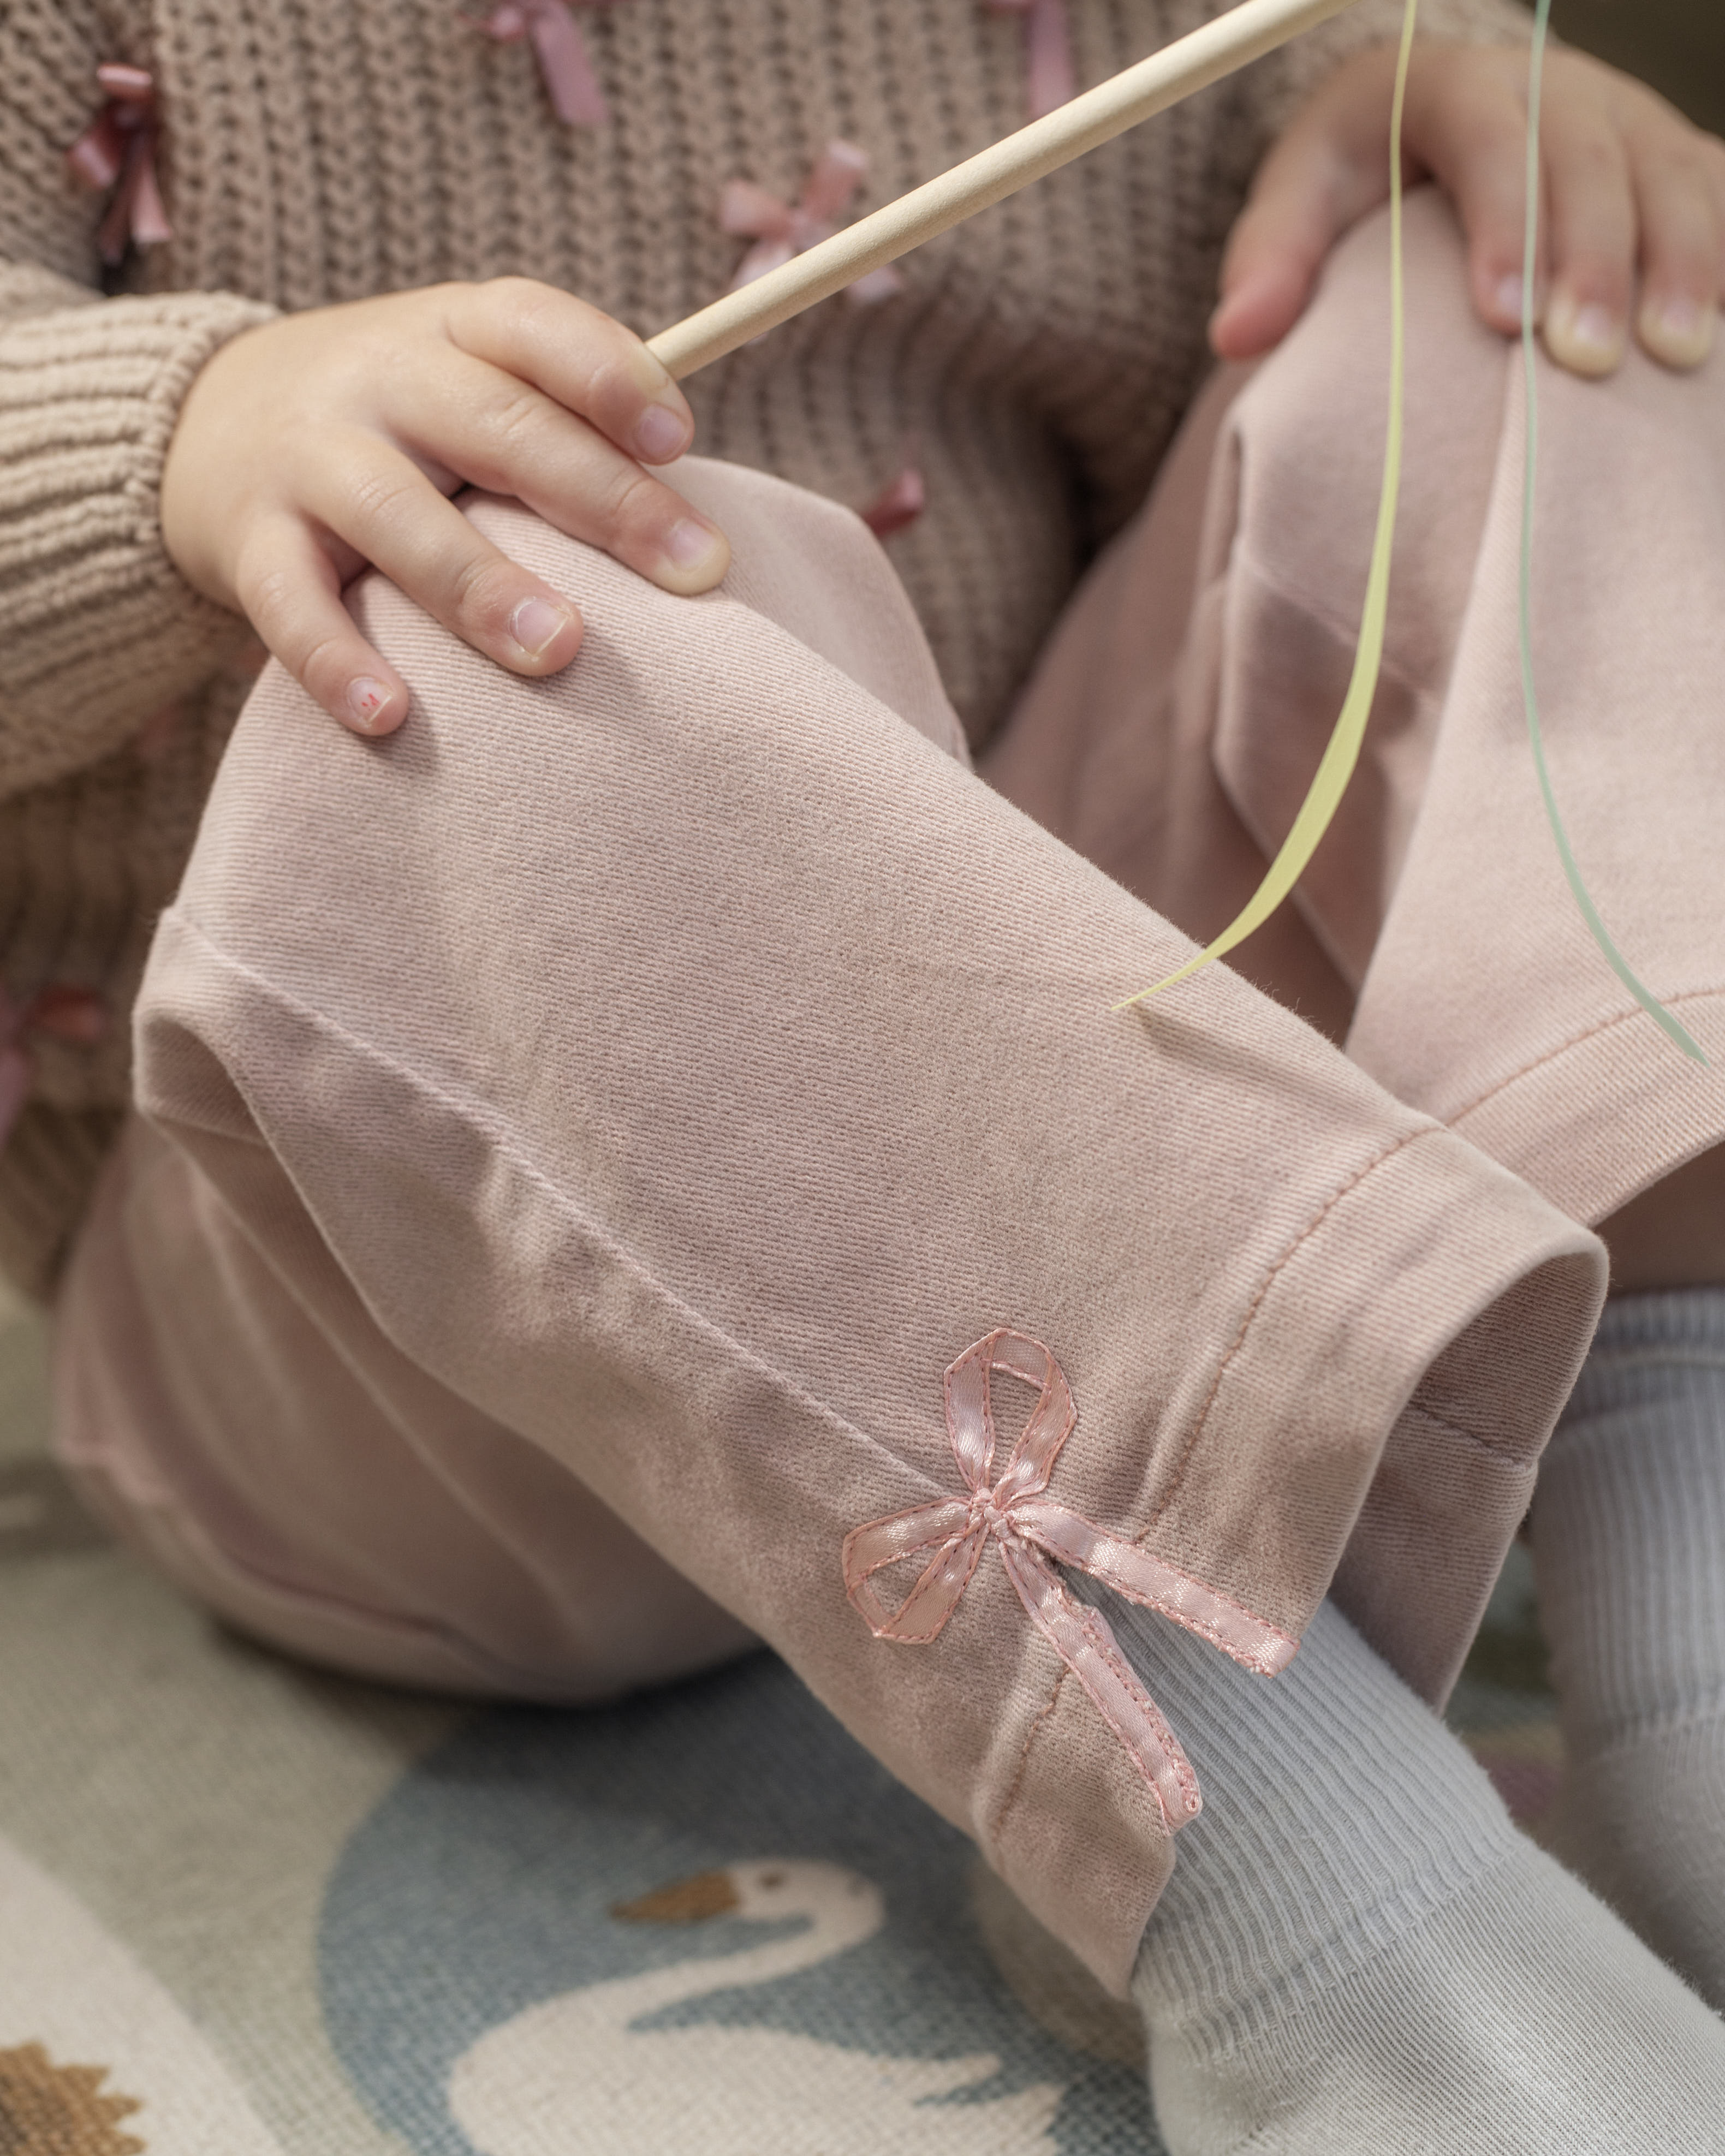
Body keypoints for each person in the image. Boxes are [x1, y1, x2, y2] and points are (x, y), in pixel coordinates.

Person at [5, 2, 1725, 2147]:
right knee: (494, 596)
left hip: (1037, 1019)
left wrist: (1384, 82)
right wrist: (188, 424)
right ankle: (1338, 1920)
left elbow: (1274, 149)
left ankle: (1688, 1553)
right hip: (367, 1302)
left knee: (1533, 267)